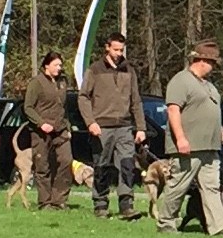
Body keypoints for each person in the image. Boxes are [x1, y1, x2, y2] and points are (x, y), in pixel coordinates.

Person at [155, 40, 223, 234]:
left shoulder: (209, 86)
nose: (214, 68)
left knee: (212, 187)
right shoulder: (181, 81)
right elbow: (173, 111)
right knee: (178, 185)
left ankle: (219, 227)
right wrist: (181, 139)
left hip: (210, 146)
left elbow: (213, 112)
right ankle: (166, 222)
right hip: (188, 146)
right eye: (213, 63)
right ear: (202, 60)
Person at [81, 33, 146, 218]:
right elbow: (83, 97)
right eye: (115, 49)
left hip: (124, 126)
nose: (119, 53)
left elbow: (136, 100)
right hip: (101, 126)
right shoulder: (95, 70)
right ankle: (100, 204)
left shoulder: (129, 70)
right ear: (107, 47)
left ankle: (127, 204)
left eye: (121, 49)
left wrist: (140, 127)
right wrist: (90, 122)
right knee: (102, 165)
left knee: (127, 164)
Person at [22, 51, 73, 210]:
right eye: (56, 65)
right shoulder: (36, 83)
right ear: (46, 65)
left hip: (61, 129)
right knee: (42, 166)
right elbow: (28, 107)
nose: (59, 68)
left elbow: (64, 108)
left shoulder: (62, 82)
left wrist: (68, 127)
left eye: (60, 65)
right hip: (41, 132)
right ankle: (45, 202)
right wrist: (40, 123)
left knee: (66, 161)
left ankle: (59, 200)